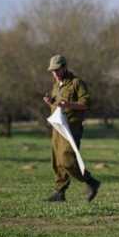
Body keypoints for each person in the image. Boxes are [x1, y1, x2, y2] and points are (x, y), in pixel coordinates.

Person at [43, 54, 100, 202]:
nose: (54, 73)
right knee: (56, 161)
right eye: (52, 71)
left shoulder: (77, 83)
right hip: (57, 126)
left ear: (64, 67)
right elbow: (57, 105)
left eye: (57, 70)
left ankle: (91, 182)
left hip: (71, 127)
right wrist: (50, 102)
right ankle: (59, 192)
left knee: (67, 160)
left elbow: (85, 104)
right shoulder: (56, 85)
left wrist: (69, 105)